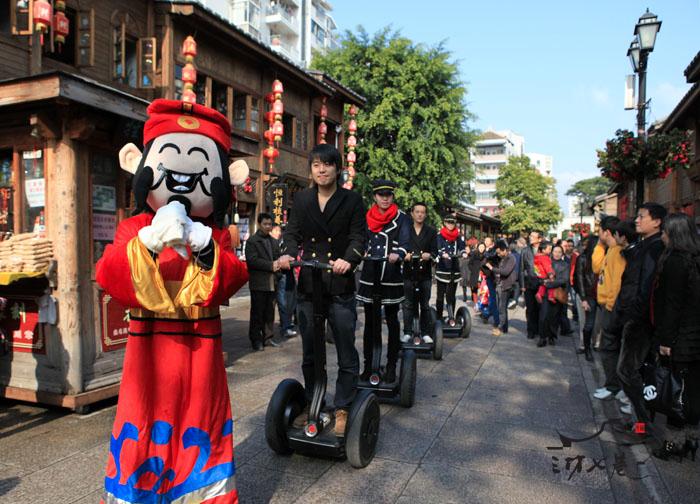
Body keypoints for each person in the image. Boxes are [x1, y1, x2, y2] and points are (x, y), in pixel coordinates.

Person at [96, 99, 250, 502]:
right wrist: (147, 242)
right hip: (147, 352)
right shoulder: (134, 227)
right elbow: (109, 274)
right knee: (143, 417)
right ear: (138, 164)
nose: (183, 179)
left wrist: (206, 248)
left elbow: (234, 277)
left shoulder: (216, 234)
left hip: (201, 350)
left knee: (201, 418)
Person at [278, 143, 366, 437]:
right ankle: (313, 402)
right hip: (309, 285)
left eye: (327, 164)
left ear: (337, 169)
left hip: (340, 284)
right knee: (310, 352)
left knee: (345, 349)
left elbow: (359, 237)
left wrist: (349, 259)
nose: (322, 170)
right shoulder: (303, 199)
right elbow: (292, 233)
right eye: (316, 165)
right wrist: (288, 254)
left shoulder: (352, 200)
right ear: (311, 170)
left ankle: (343, 406)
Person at [612, 204, 666, 429]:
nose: (637, 220)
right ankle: (639, 422)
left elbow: (645, 287)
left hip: (640, 320)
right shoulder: (644, 245)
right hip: (633, 316)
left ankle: (643, 423)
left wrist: (633, 315)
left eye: (642, 216)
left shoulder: (655, 247)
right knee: (632, 371)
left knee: (627, 370)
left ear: (657, 222)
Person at [651, 213, 700, 461]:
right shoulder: (695, 259)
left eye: (665, 231)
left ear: (674, 233)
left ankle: (673, 444)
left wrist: (665, 341)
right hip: (695, 338)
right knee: (693, 391)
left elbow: (671, 305)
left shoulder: (674, 261)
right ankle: (692, 440)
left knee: (675, 392)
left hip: (679, 339)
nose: (662, 235)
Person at [356, 179, 410, 384]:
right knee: (370, 323)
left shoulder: (402, 218)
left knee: (392, 321)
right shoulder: (366, 217)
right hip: (371, 274)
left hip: (390, 275)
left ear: (393, 196)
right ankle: (368, 365)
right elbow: (361, 240)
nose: (385, 198)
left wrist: (398, 253)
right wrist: (361, 251)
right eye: (381, 195)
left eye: (388, 195)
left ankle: (391, 366)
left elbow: (405, 242)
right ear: (375, 197)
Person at [591, 216, 627, 402]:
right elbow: (596, 268)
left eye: (600, 231)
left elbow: (617, 283)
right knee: (607, 347)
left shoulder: (618, 252)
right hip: (605, 305)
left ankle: (614, 386)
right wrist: (599, 245)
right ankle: (612, 385)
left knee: (609, 347)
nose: (598, 234)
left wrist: (611, 307)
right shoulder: (610, 250)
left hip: (612, 307)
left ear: (606, 232)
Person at [401, 202, 438, 344]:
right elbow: (399, 247)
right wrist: (404, 255)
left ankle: (425, 332)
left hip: (425, 274)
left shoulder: (431, 231)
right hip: (409, 273)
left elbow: (435, 252)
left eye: (422, 212)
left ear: (425, 214)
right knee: (408, 304)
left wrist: (430, 255)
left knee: (425, 305)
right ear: (412, 213)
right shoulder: (405, 230)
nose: (420, 214)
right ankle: (407, 332)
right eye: (417, 211)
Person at [245, 212, 282, 350]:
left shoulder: (274, 241)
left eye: (270, 224)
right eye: (265, 224)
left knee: (270, 312)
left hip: (273, 282)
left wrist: (278, 273)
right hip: (259, 282)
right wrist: (270, 265)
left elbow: (278, 258)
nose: (268, 227)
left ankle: (268, 337)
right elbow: (252, 261)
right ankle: (256, 339)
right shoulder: (252, 241)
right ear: (259, 224)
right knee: (257, 312)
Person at [435, 214, 467, 322]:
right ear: (445, 223)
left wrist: (463, 252)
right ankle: (439, 317)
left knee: (451, 296)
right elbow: (437, 247)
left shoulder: (458, 236)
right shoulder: (440, 235)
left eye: (452, 222)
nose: (450, 224)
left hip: (454, 269)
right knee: (440, 295)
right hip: (442, 269)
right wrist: (441, 253)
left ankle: (451, 317)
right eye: (448, 222)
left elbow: (462, 246)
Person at [573, 235, 599, 361]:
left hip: (600, 295)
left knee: (597, 324)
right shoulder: (582, 258)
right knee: (587, 323)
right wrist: (583, 298)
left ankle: (594, 344)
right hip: (587, 295)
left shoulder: (604, 257)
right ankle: (585, 347)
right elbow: (579, 279)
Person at [484, 240, 516, 335]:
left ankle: (501, 328)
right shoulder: (501, 257)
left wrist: (492, 268)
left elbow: (505, 272)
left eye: (499, 252)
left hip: (506, 286)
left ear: (504, 250)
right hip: (499, 285)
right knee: (501, 308)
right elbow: (487, 256)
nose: (498, 254)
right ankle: (504, 327)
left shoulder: (511, 258)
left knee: (502, 308)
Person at [271, 224, 298, 339]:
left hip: (286, 275)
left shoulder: (284, 243)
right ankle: (285, 327)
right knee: (283, 302)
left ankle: (286, 325)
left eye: (279, 230)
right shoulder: (270, 243)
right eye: (276, 230)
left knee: (289, 301)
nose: (279, 233)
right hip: (277, 276)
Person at [520, 230, 544, 339]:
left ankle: (539, 329)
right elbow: (521, 269)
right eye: (530, 236)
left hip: (541, 284)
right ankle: (531, 330)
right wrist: (522, 285)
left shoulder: (544, 249)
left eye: (533, 236)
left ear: (539, 239)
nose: (530, 237)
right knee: (530, 309)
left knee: (540, 308)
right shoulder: (525, 251)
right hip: (528, 284)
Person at [481, 236, 499, 326]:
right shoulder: (486, 252)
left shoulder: (494, 251)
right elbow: (483, 264)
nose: (485, 242)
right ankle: (496, 320)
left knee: (495, 299)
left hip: (496, 277)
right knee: (493, 299)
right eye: (485, 240)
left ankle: (487, 314)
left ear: (492, 242)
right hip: (490, 278)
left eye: (487, 240)